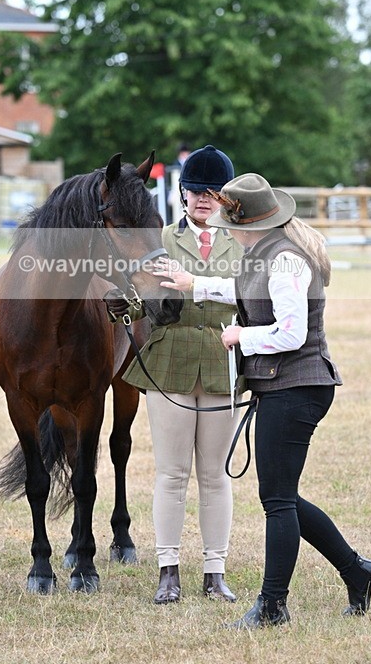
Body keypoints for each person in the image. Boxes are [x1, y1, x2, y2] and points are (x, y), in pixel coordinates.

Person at [157, 173, 371, 627]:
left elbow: (291, 332)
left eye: (229, 224)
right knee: (283, 497)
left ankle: (272, 606)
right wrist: (193, 283)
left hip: (297, 388)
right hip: (287, 387)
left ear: (247, 225)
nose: (225, 231)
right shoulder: (264, 254)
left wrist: (241, 336)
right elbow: (239, 288)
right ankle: (358, 572)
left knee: (277, 501)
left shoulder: (284, 261)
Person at [118, 145, 244, 605]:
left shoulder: (242, 243)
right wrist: (123, 307)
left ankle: (215, 571)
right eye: (196, 191)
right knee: (172, 474)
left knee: (215, 475)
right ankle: (167, 570)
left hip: (221, 360)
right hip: (169, 359)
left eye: (213, 192)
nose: (204, 199)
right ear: (183, 194)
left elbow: (251, 297)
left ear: (225, 198)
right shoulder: (162, 240)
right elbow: (145, 300)